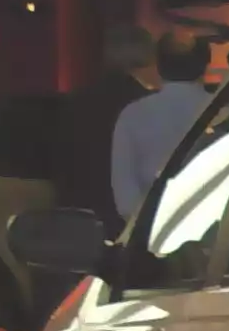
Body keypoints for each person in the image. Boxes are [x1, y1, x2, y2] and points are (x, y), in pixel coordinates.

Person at [53, 24, 156, 234]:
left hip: (76, 215)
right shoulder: (147, 105)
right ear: (148, 57)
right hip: (128, 218)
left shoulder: (76, 101)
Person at [111, 30, 211, 220]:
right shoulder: (223, 112)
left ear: (158, 65)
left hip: (150, 228)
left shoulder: (132, 115)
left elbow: (126, 201)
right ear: (206, 64)